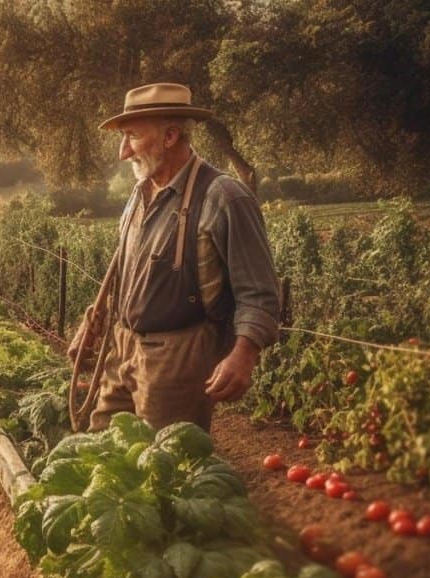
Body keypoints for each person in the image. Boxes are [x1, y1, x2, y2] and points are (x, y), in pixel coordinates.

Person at [68, 83, 280, 432]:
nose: (123, 153)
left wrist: (244, 355)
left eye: (132, 137)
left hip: (178, 355)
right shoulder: (139, 193)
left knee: (163, 466)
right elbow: (124, 271)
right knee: (100, 447)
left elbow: (259, 292)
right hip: (122, 347)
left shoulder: (224, 197)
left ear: (169, 136)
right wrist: (93, 320)